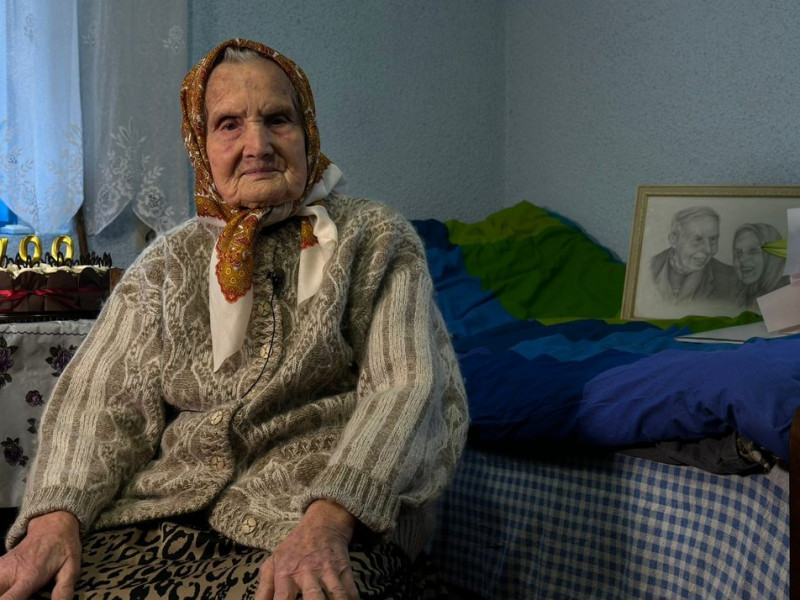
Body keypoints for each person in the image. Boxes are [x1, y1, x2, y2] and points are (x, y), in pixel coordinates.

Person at [0, 38, 468, 600]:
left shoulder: (374, 238)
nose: (258, 145)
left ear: (307, 130)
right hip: (164, 511)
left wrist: (331, 519)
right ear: (200, 146)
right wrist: (56, 520)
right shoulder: (167, 263)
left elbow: (406, 388)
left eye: (278, 119)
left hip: (319, 514)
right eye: (228, 125)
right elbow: (99, 401)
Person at [649, 206, 739, 305]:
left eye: (713, 239)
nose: (709, 250)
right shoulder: (647, 268)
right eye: (698, 239)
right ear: (673, 240)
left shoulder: (731, 279)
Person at [732, 222, 788, 312]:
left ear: (771, 256)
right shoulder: (744, 297)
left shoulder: (788, 294)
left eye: (753, 251)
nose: (741, 259)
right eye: (738, 253)